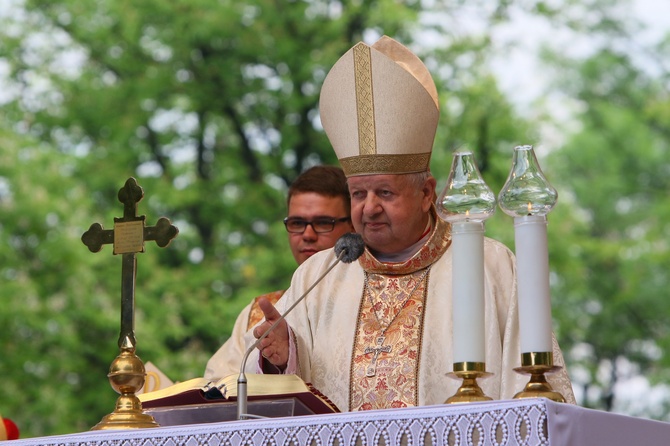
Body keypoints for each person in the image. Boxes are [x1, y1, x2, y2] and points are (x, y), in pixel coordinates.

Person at [245, 35, 575, 411]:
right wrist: (283, 355)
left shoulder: (491, 266)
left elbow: (536, 395)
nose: (368, 209)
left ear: (426, 193)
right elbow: (275, 396)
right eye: (358, 194)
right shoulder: (318, 277)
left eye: (385, 193)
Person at [204, 165, 354, 378]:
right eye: (297, 223)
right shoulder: (257, 315)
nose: (307, 234)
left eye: (322, 223)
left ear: (354, 225)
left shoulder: (368, 305)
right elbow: (218, 388)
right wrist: (275, 364)